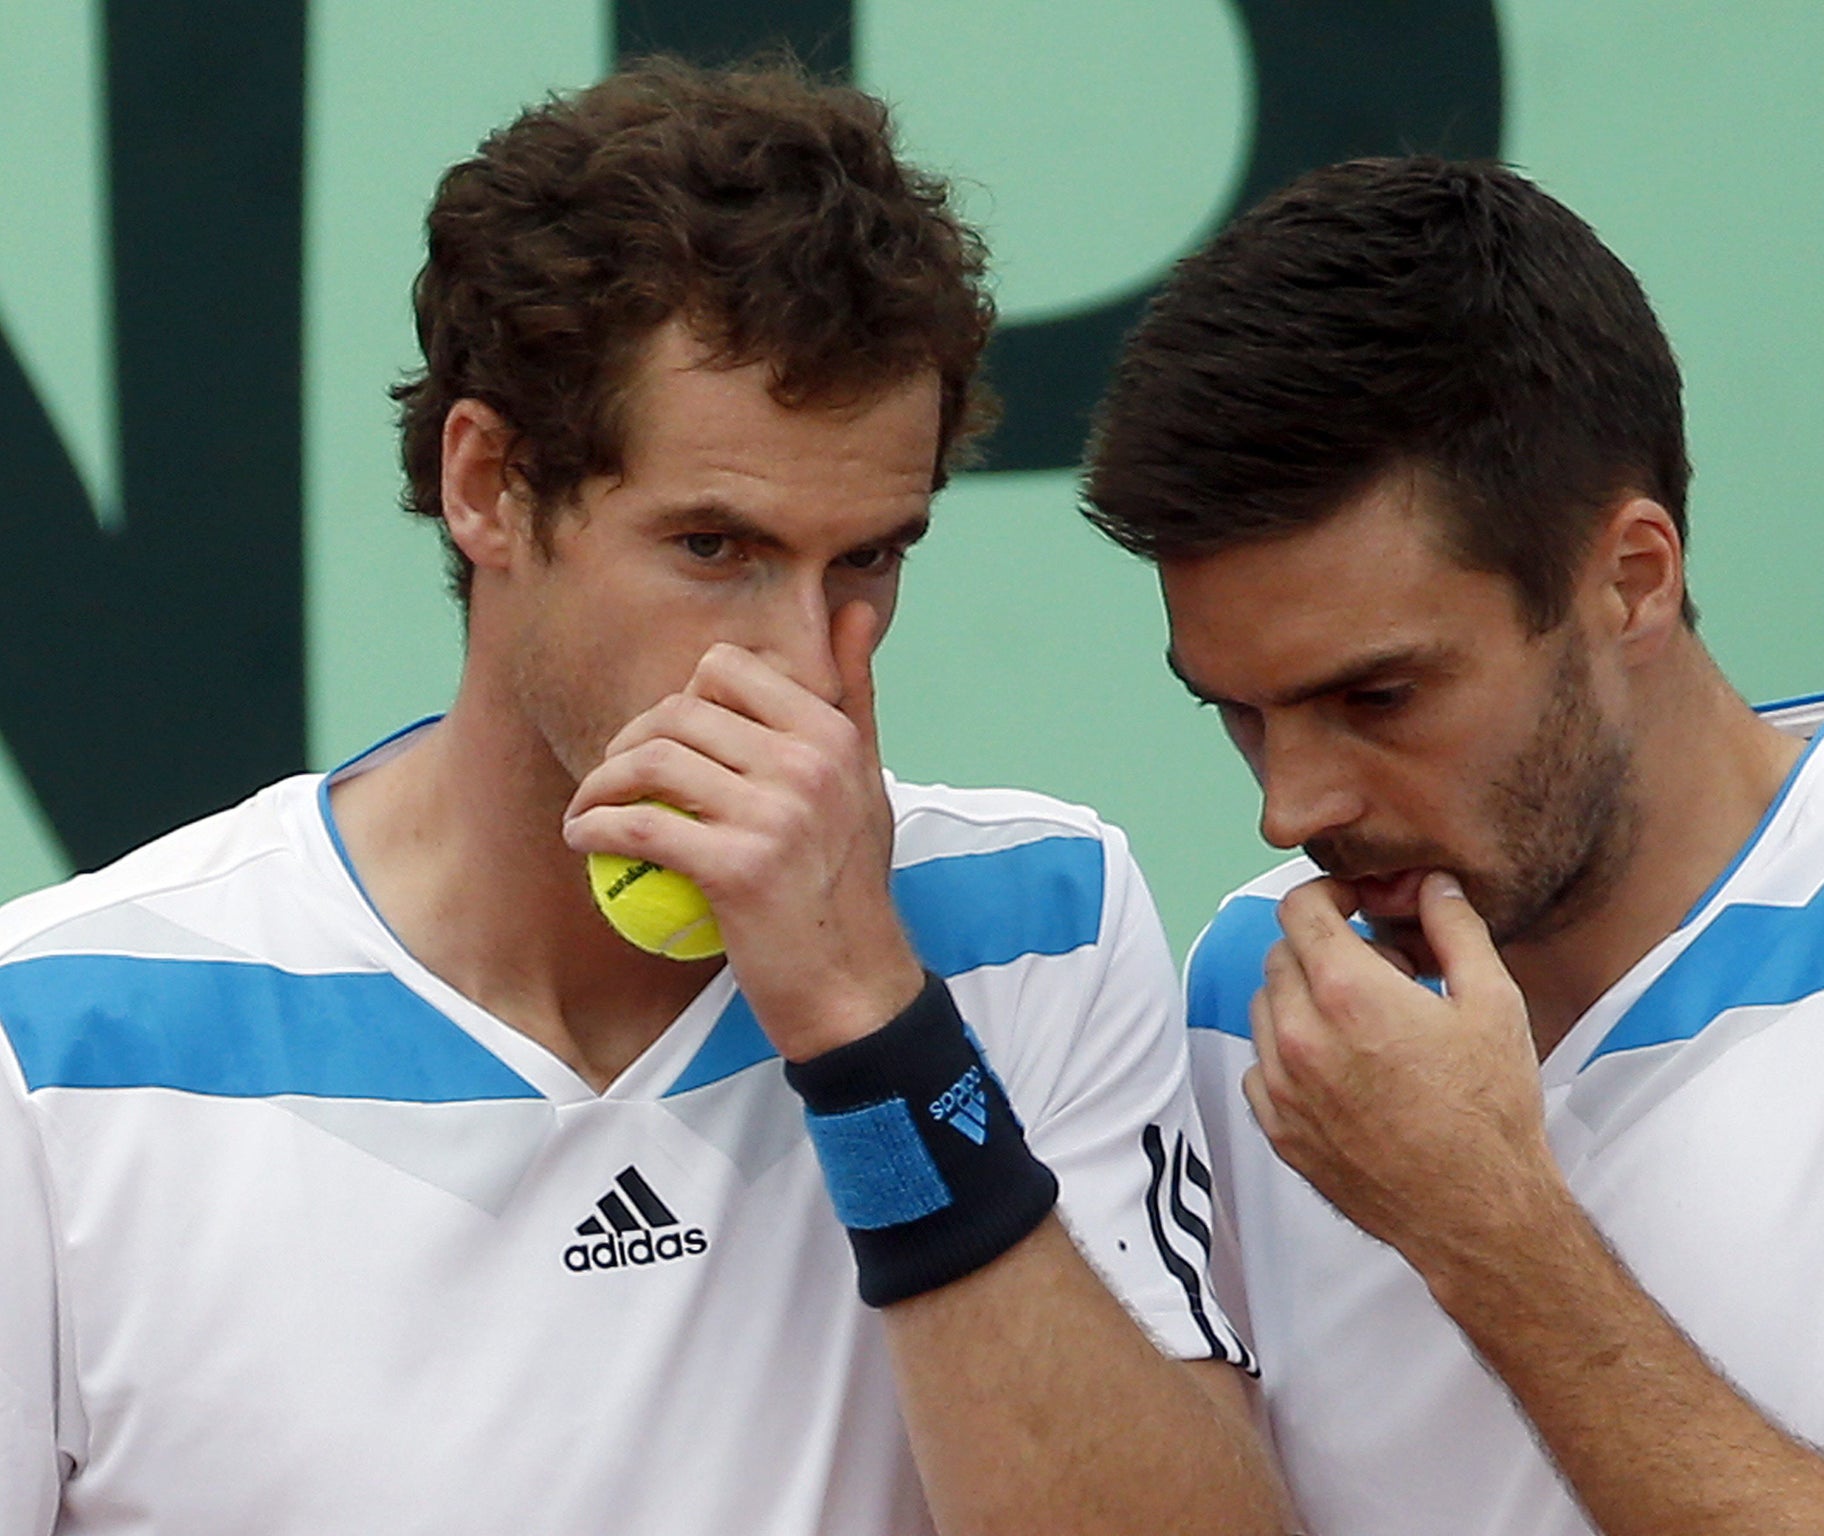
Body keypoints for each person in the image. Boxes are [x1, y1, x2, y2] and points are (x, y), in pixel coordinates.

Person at [0, 59, 1289, 1536]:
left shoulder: (1037, 926)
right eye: (714, 548)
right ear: (489, 488)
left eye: (867, 558)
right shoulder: (53, 1047)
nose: (805, 664)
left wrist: (868, 1019)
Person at [1081, 156, 1824, 1536]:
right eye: (1238, 713)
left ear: (1630, 581)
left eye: (1378, 697)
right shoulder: (1259, 985)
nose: (1289, 810)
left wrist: (1487, 1229)